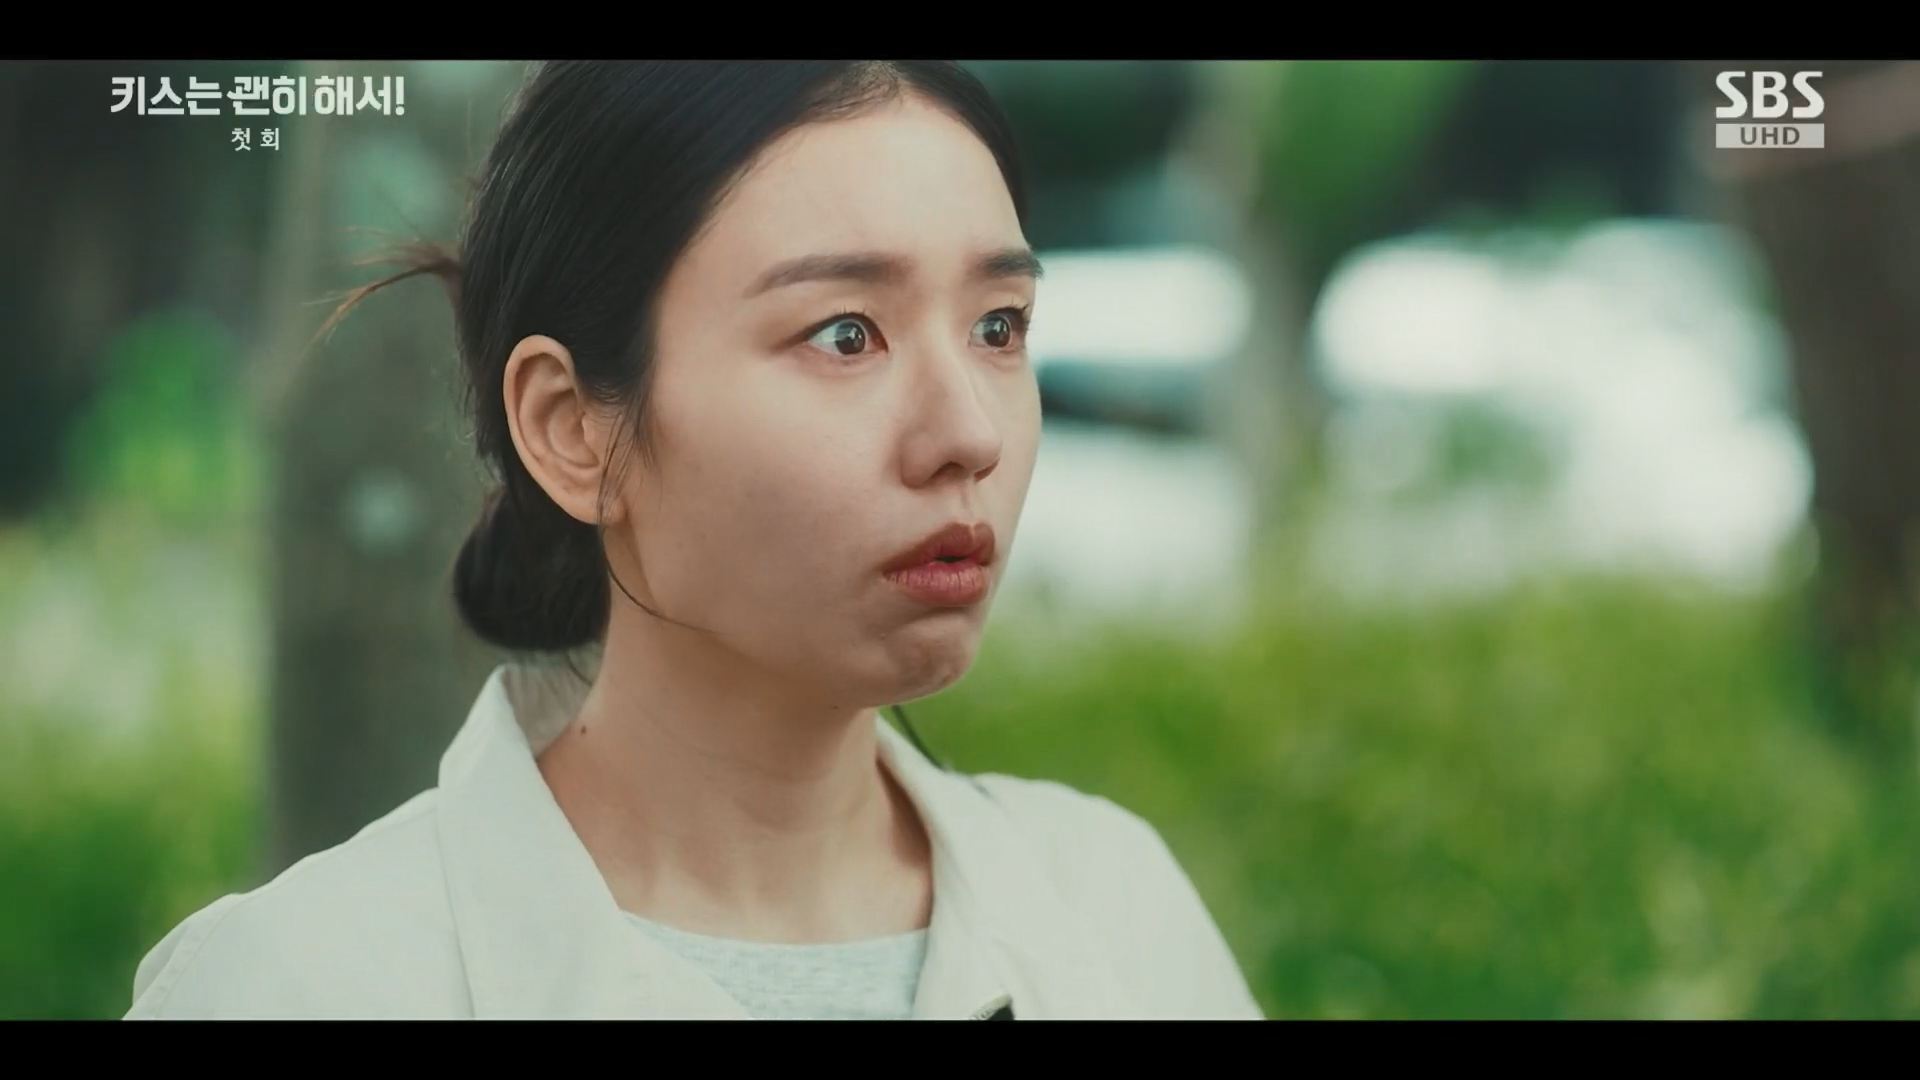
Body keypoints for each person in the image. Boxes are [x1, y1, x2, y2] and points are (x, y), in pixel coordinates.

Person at [124, 59, 1264, 1021]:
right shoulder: (301, 985)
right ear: (572, 430)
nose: (968, 433)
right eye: (847, 334)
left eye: (999, 327)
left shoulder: (1113, 913)